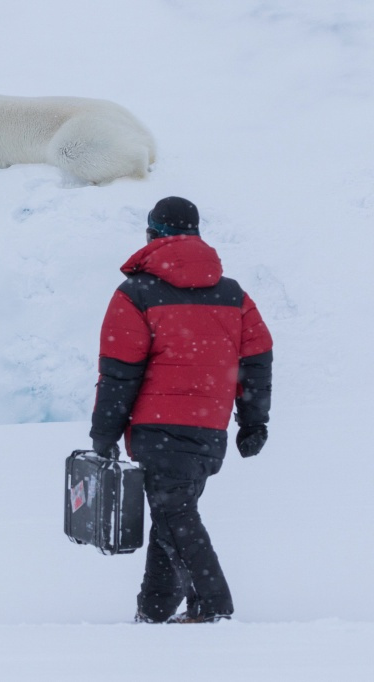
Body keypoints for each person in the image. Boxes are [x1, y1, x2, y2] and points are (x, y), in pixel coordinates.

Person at [89, 196, 273, 624]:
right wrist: (253, 421)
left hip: (159, 430)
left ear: (152, 234)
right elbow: (257, 360)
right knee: (171, 514)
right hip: (208, 432)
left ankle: (212, 605)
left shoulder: (136, 293)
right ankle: (154, 609)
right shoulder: (233, 294)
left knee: (174, 514)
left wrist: (104, 434)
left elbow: (119, 374)